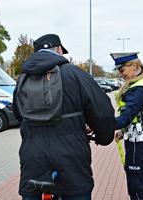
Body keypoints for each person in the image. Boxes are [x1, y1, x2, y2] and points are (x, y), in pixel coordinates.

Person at [13, 33, 116, 200]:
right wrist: (103, 137)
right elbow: (102, 112)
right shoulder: (75, 74)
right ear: (59, 50)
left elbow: (18, 115)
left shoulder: (22, 79)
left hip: (33, 156)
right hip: (71, 156)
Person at [110, 52, 143, 200]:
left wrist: (99, 124)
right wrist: (124, 131)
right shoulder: (140, 84)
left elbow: (126, 118)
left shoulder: (138, 88)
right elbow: (136, 116)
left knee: (137, 190)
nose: (120, 74)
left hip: (139, 145)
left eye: (122, 70)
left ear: (134, 66)